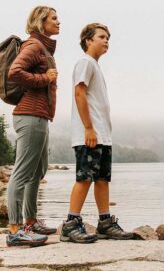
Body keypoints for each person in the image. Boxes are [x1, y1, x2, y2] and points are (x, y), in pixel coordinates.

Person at [60, 23, 135, 243]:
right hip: (89, 134)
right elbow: (79, 94)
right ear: (88, 40)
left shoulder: (94, 65)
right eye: (101, 36)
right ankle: (71, 224)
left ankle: (105, 223)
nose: (106, 41)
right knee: (85, 178)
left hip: (102, 135)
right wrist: (89, 128)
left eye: (108, 38)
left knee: (102, 179)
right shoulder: (85, 62)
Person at [5, 6, 60, 247]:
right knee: (22, 172)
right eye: (54, 18)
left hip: (40, 116)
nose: (59, 22)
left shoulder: (44, 48)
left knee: (37, 172)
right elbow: (14, 72)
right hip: (30, 116)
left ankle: (31, 222)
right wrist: (44, 79)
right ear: (41, 22)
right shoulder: (34, 46)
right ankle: (15, 230)